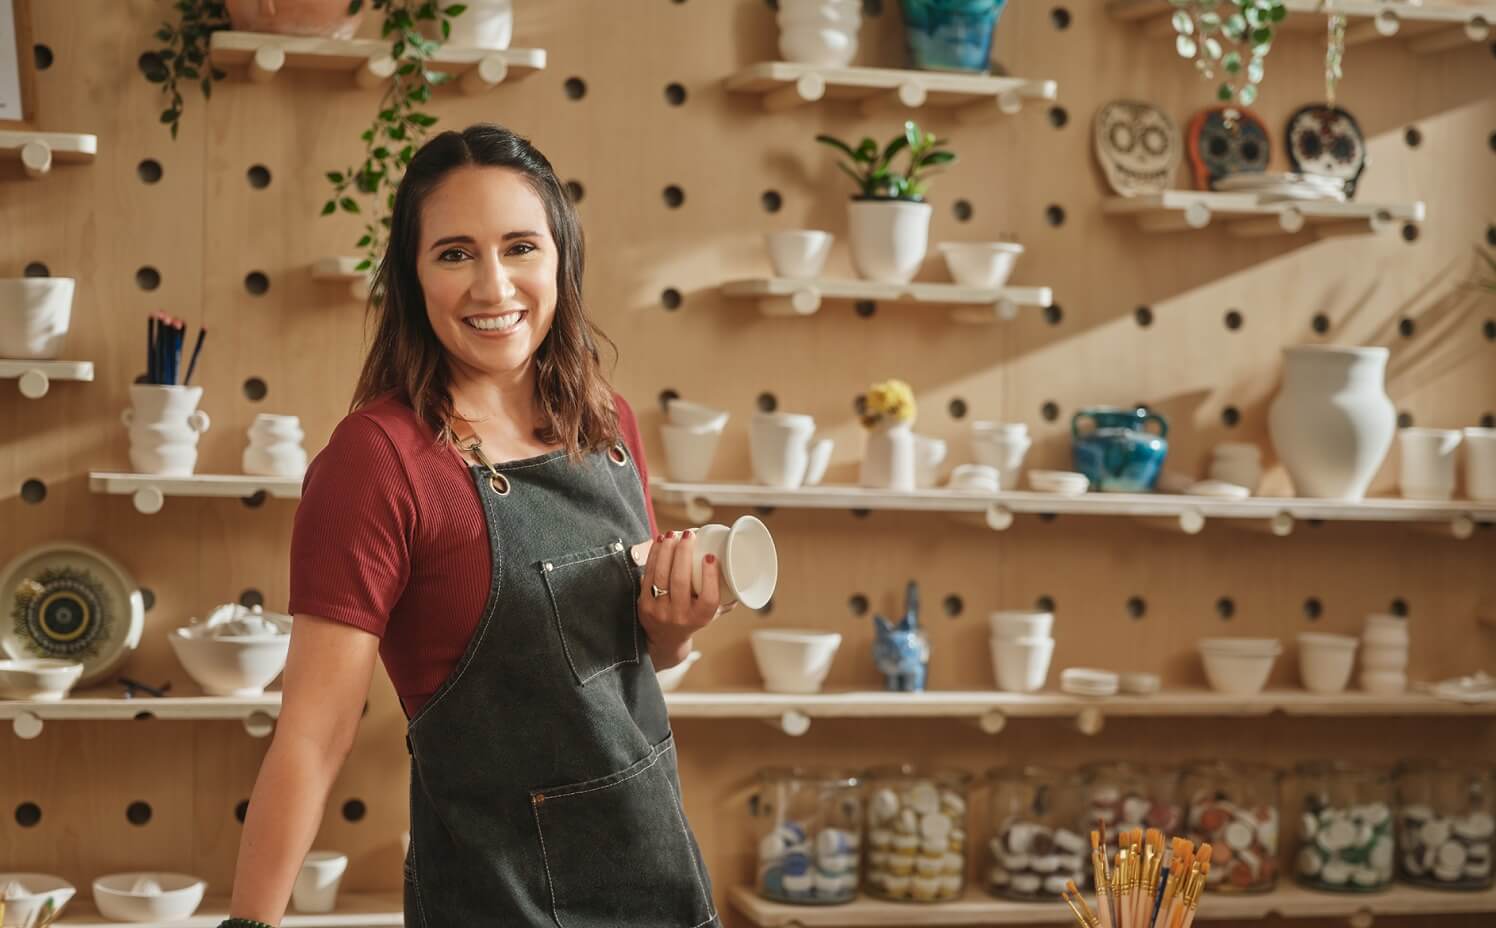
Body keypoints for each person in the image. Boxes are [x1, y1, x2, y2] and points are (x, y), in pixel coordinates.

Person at [220, 123, 727, 928]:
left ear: (561, 256)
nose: (494, 288)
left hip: (659, 879)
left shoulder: (608, 425)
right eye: (455, 254)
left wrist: (677, 630)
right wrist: (248, 926)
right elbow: (313, 738)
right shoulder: (377, 460)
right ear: (412, 277)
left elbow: (620, 672)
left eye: (521, 246)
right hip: (495, 900)